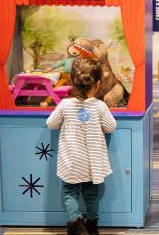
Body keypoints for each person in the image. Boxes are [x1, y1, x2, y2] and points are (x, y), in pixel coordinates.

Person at [47, 57, 117, 235]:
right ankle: (92, 225)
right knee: (91, 193)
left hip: (71, 162)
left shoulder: (65, 105)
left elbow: (51, 124)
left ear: (73, 81)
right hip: (92, 163)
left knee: (70, 192)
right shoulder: (100, 106)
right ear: (98, 83)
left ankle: (76, 225)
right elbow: (111, 127)